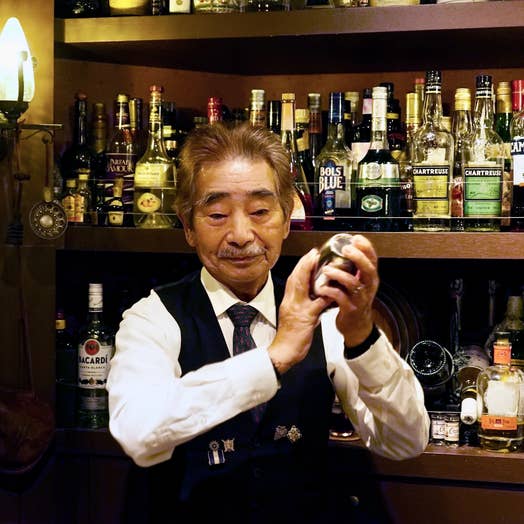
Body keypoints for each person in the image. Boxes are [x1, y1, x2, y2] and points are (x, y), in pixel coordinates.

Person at [107, 122, 429, 523]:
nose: (241, 235)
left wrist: (362, 335)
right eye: (217, 214)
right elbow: (137, 433)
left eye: (260, 211)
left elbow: (405, 441)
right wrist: (273, 359)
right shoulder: (153, 317)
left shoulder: (322, 313)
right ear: (188, 226)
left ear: (287, 216)